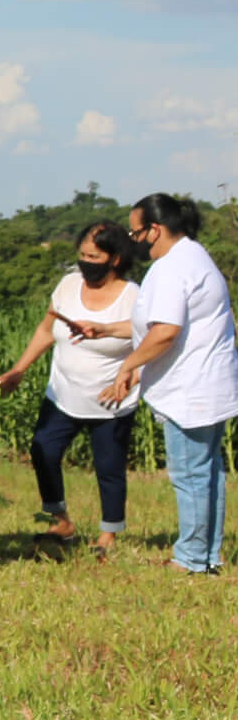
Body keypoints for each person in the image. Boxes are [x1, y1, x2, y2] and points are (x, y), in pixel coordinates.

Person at [0, 223, 142, 555]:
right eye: (82, 255)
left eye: (94, 257)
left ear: (115, 259)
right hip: (62, 394)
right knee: (43, 449)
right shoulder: (68, 285)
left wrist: (130, 378)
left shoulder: (134, 297)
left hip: (111, 401)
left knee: (109, 467)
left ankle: (108, 534)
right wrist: (18, 369)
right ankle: (60, 519)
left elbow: (151, 344)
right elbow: (47, 330)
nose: (85, 262)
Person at [103, 193, 238, 575]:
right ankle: (207, 555)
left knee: (191, 474)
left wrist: (128, 366)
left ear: (154, 230)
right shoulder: (196, 257)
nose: (134, 240)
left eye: (136, 232)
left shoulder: (171, 268)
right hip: (210, 384)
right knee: (208, 473)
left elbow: (165, 331)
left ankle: (192, 558)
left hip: (189, 390)